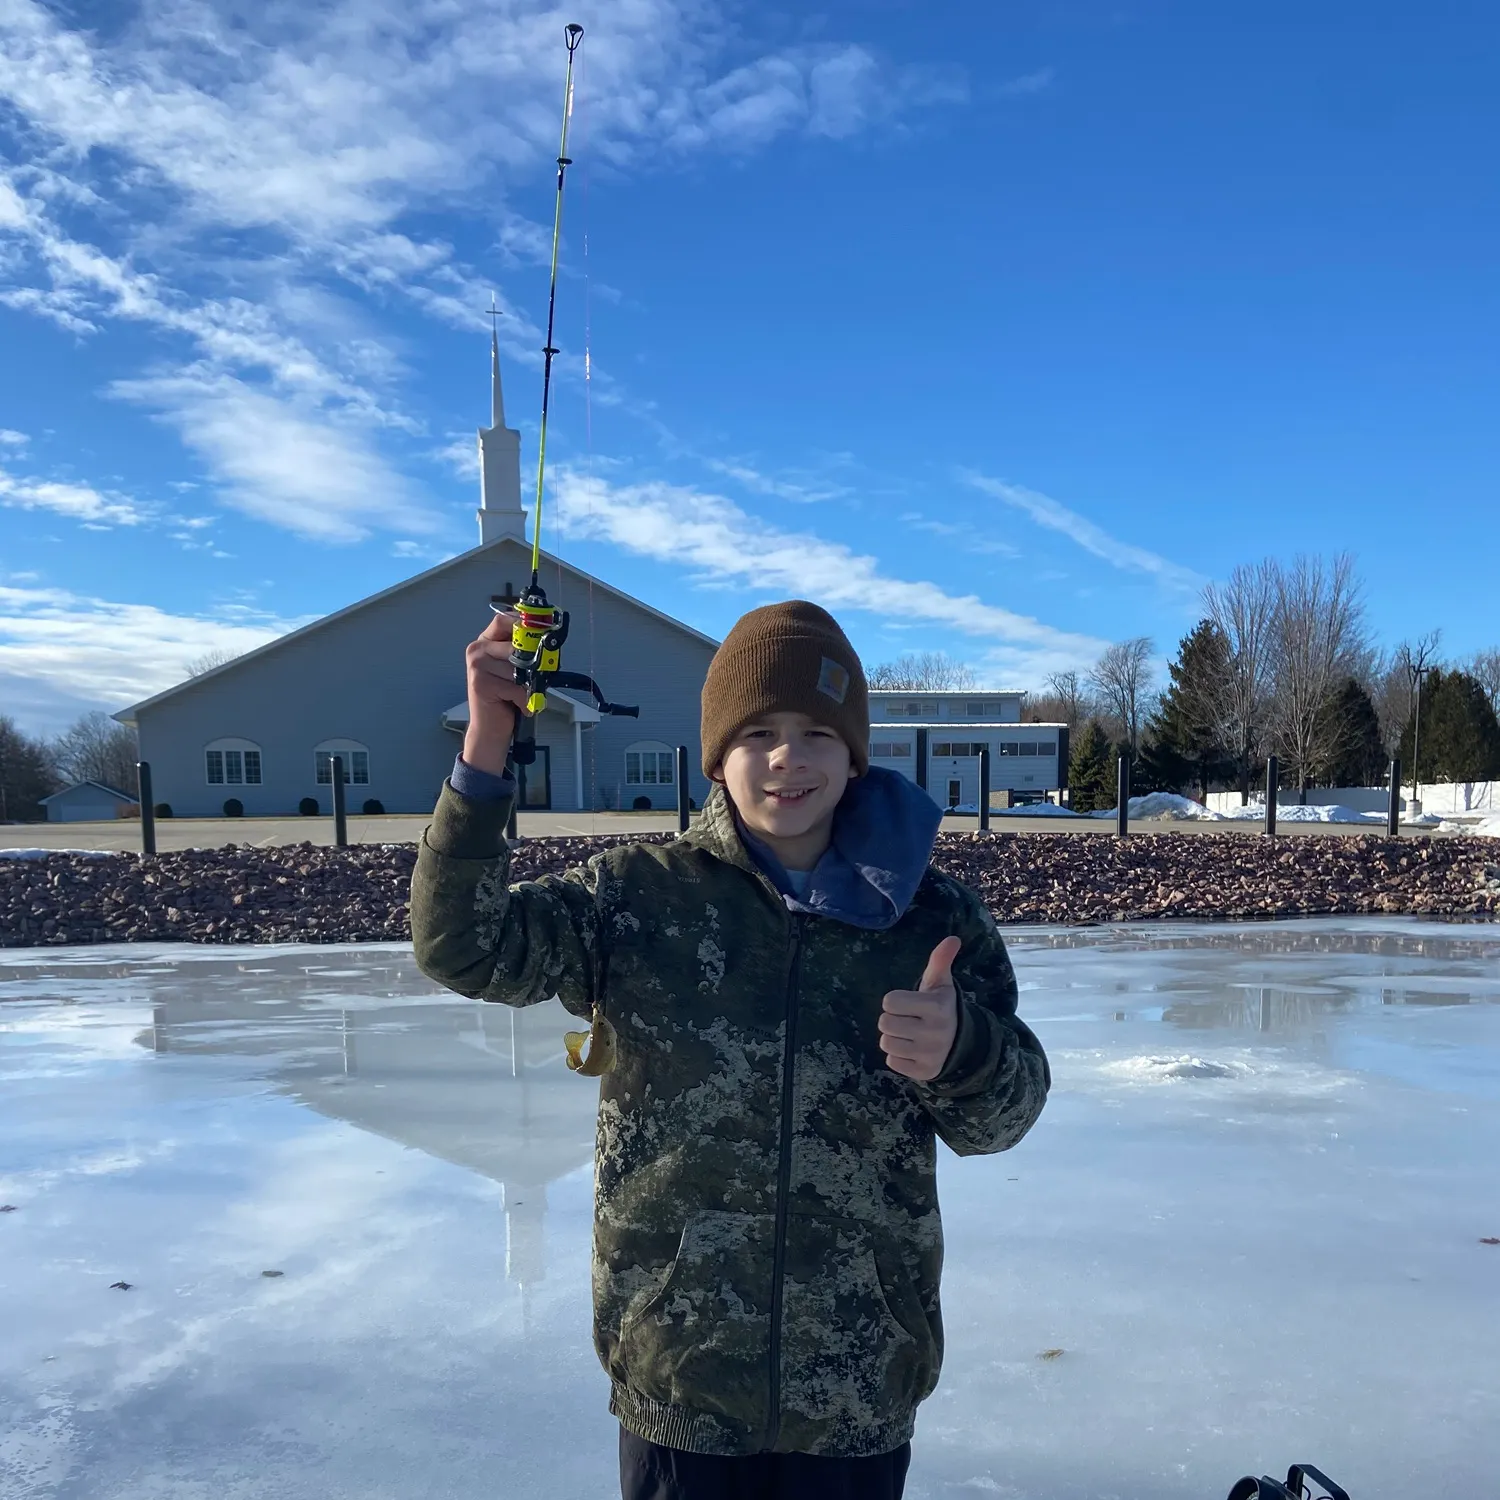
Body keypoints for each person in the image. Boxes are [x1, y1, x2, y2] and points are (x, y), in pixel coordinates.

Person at [410, 599, 1051, 1500]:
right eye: (757, 733)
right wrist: (484, 751)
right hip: (681, 1381)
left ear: (854, 753)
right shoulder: (634, 898)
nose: (788, 757)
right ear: (717, 758)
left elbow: (1006, 1117)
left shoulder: (934, 916)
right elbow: (463, 948)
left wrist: (961, 1050)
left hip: (859, 1385)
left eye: (815, 734)